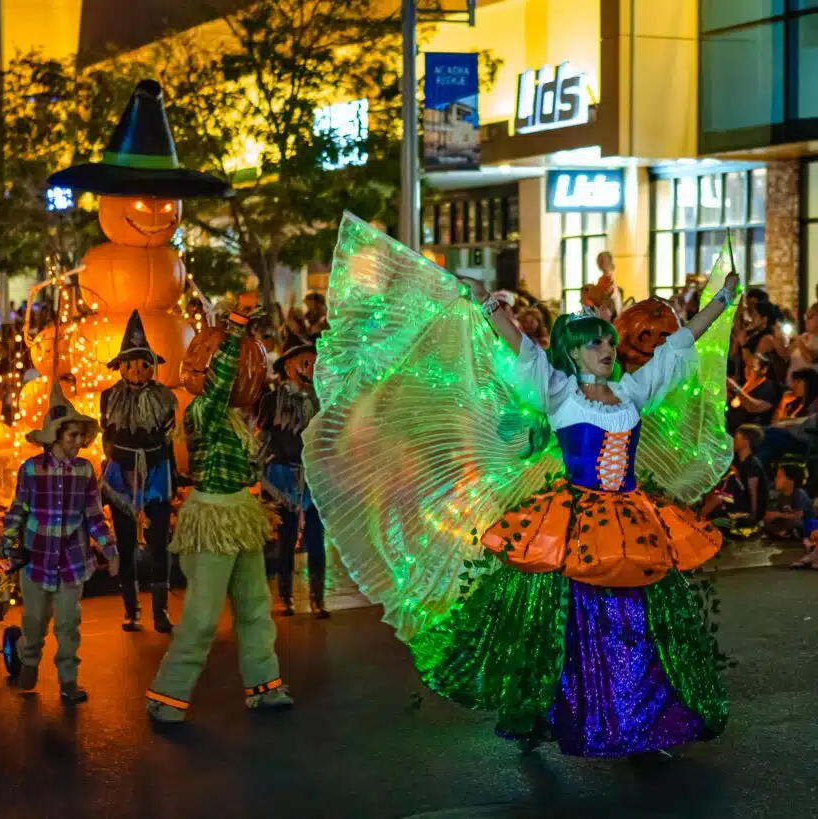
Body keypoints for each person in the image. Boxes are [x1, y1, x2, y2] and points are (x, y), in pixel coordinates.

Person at [303, 215, 738, 758]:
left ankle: (639, 724)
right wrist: (488, 303)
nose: (607, 349)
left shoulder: (632, 392)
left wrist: (720, 302)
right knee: (572, 631)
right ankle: (572, 715)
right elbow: (519, 345)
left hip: (632, 525)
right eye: (596, 344)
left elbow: (677, 349)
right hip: (577, 529)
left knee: (636, 626)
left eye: (608, 342)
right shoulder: (560, 393)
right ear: (575, 353)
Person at [146, 307, 292, 724]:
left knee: (254, 606)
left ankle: (265, 685)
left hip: (240, 515)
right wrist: (232, 335)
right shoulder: (201, 412)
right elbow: (223, 380)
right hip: (211, 516)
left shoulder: (236, 421)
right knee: (203, 615)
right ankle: (167, 695)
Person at [0, 382, 119, 704]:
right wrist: (8, 543)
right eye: (73, 436)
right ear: (56, 437)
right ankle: (29, 658)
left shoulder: (84, 470)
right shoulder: (32, 470)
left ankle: (68, 680)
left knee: (68, 625)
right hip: (37, 559)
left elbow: (94, 514)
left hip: (72, 559)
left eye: (82, 436)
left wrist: (110, 549)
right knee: (35, 622)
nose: (80, 442)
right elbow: (19, 509)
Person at [99, 309, 179, 634]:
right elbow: (106, 437)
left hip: (157, 472)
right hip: (122, 474)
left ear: (152, 367)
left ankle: (160, 610)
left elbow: (171, 441)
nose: (136, 370)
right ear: (120, 367)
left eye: (143, 364)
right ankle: (131, 609)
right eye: (129, 363)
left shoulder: (165, 397)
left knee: (160, 542)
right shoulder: (108, 398)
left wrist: (173, 476)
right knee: (126, 543)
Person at [258, 332, 328, 619]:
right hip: (281, 478)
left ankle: (317, 598)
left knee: (316, 537)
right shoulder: (272, 401)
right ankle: (284, 596)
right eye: (304, 362)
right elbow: (260, 438)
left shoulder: (322, 400)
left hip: (314, 478)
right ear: (288, 366)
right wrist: (255, 469)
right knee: (284, 538)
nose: (310, 367)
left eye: (313, 361)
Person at [726, 353, 782, 432]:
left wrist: (736, 389)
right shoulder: (747, 382)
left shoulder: (769, 387)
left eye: (752, 367)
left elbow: (754, 407)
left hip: (752, 433)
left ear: (764, 369)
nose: (747, 370)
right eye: (746, 366)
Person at [764, 463, 814, 539]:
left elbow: (798, 517)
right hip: (787, 529)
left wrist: (777, 514)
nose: (775, 479)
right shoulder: (780, 496)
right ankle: (782, 533)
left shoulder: (799, 494)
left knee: (798, 526)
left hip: (805, 528)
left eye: (779, 477)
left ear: (790, 480)